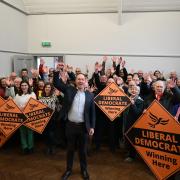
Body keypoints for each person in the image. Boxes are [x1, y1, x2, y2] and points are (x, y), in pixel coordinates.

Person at [53, 70, 95, 180]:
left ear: (86, 82)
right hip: (70, 126)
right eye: (78, 79)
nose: (80, 81)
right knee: (70, 150)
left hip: (83, 128)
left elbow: (92, 113)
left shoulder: (90, 95)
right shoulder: (69, 90)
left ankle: (84, 170)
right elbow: (56, 84)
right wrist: (57, 71)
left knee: (83, 151)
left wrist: (92, 127)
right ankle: (68, 170)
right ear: (75, 81)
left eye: (82, 79)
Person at [14, 80, 36, 154]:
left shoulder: (32, 94)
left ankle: (30, 147)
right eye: (22, 85)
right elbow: (15, 105)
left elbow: (34, 104)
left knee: (30, 132)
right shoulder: (17, 95)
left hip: (29, 115)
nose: (24, 87)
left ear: (28, 86)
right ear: (20, 87)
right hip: (20, 115)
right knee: (22, 132)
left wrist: (26, 108)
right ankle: (24, 147)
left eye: (25, 85)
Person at [39, 82, 62, 154]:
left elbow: (59, 105)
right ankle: (47, 147)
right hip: (44, 118)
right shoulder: (40, 97)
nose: (47, 88)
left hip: (53, 118)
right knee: (45, 133)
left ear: (51, 88)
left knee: (52, 133)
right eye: (46, 87)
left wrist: (59, 96)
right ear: (44, 88)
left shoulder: (54, 96)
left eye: (49, 87)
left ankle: (52, 147)